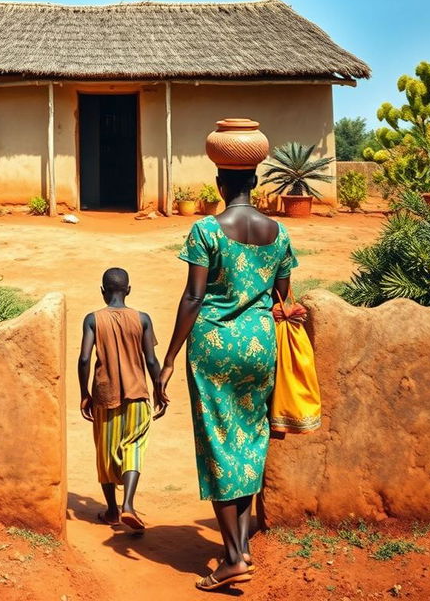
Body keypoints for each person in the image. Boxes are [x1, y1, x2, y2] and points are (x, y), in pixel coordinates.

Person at [156, 167, 298, 591]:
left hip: (214, 347)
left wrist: (168, 359)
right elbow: (283, 297)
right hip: (260, 348)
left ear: (220, 185)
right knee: (250, 438)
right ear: (254, 184)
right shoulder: (279, 233)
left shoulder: (206, 231)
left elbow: (194, 296)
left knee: (218, 440)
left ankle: (234, 556)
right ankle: (242, 547)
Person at [78, 267, 165, 532]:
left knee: (106, 454)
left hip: (106, 396)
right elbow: (151, 360)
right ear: (128, 290)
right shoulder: (143, 319)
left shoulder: (93, 319)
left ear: (103, 292)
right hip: (138, 394)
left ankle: (113, 511)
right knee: (134, 448)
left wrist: (85, 394)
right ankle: (129, 504)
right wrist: (159, 388)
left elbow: (84, 359)